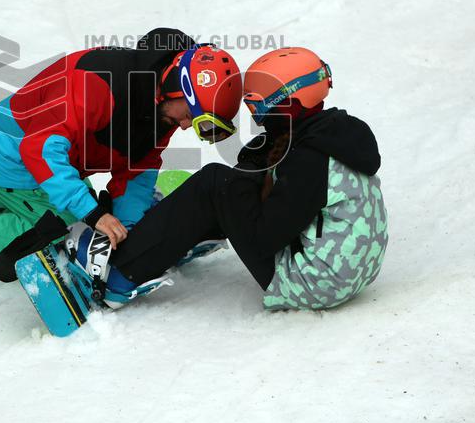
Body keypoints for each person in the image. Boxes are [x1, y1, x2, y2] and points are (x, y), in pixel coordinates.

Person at [69, 46, 388, 311]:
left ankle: (117, 277)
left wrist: (234, 195)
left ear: (289, 101)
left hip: (312, 282)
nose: (257, 116)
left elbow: (265, 237)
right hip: (348, 271)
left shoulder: (308, 159)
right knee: (228, 187)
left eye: (260, 105)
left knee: (214, 184)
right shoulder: (333, 134)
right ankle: (175, 232)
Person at [0, 28, 243, 283]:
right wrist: (92, 213)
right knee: (60, 245)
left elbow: (138, 171)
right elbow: (41, 149)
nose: (186, 126)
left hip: (36, 156)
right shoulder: (101, 84)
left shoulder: (160, 107)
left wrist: (130, 234)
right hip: (19, 154)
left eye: (198, 124)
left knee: (91, 230)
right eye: (190, 115)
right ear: (176, 84)